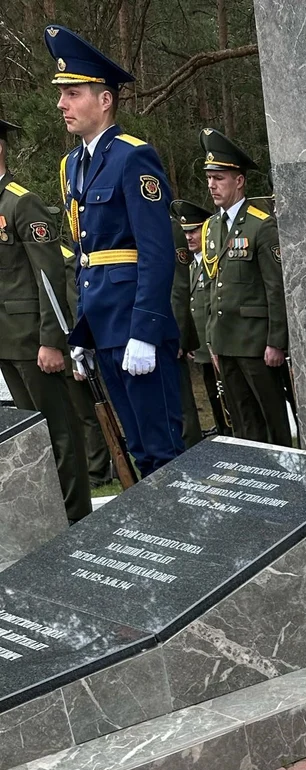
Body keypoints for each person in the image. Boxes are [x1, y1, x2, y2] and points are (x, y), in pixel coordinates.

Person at [45, 23, 184, 476]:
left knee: (163, 452)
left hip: (133, 324)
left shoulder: (132, 156)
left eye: (73, 93)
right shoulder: (72, 165)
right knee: (138, 452)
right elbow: (84, 255)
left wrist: (145, 331)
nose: (62, 103)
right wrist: (82, 331)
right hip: (102, 326)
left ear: (105, 99)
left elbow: (156, 252)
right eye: (61, 94)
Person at [0, 115, 91, 523]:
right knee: (29, 437)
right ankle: (47, 517)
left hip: (31, 340)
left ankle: (74, 516)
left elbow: (50, 275)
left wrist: (51, 341)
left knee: (58, 433)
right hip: (5, 341)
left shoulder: (21, 202)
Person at [199, 128, 290, 446]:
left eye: (219, 178)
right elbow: (212, 286)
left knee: (272, 420)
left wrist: (276, 342)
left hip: (255, 345)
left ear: (239, 181)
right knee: (242, 422)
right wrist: (211, 339)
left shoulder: (260, 225)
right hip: (225, 342)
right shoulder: (211, 227)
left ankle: (284, 471)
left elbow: (275, 289)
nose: (212, 185)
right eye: (209, 178)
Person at [60, 236, 116, 490]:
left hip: (74, 349)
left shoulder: (64, 259)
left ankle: (99, 469)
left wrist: (77, 350)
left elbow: (76, 307)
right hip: (60, 349)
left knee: (88, 413)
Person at [171, 197, 228, 434]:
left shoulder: (214, 261)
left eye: (194, 231)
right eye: (185, 232)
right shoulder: (190, 265)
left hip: (220, 345)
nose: (188, 237)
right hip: (202, 349)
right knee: (215, 400)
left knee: (231, 402)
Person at [169, 215, 202, 447]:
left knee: (181, 406)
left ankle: (191, 453)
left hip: (167, 329)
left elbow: (178, 286)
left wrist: (177, 334)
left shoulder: (167, 226)